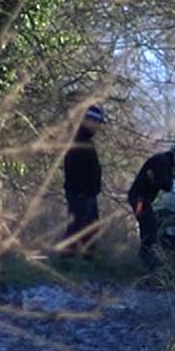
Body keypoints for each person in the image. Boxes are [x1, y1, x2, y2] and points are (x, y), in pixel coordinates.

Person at [128, 143, 175, 268]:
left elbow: (164, 182)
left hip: (143, 199)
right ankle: (144, 259)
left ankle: (144, 259)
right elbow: (163, 184)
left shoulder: (164, 162)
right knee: (149, 227)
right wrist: (163, 182)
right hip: (139, 200)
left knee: (149, 227)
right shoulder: (162, 162)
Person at [62, 104, 105, 257]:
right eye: (96, 122)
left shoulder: (85, 140)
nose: (97, 127)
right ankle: (67, 260)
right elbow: (74, 168)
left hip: (87, 193)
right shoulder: (79, 140)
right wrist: (81, 191)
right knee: (78, 228)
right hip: (81, 193)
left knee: (89, 228)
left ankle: (85, 261)